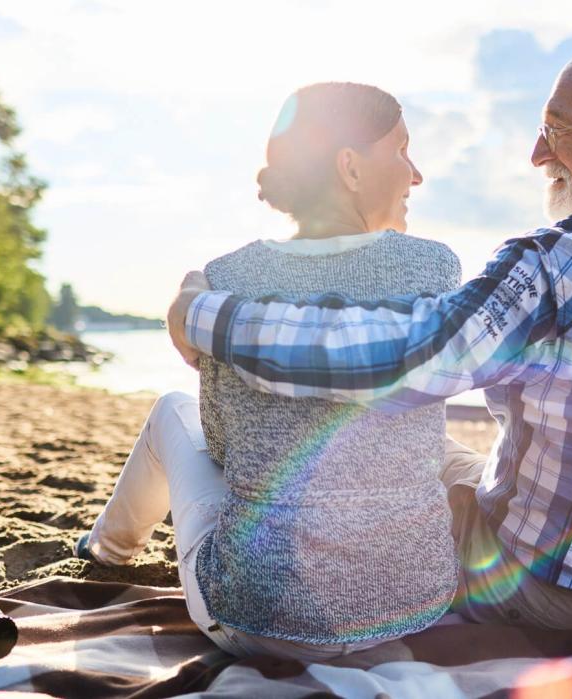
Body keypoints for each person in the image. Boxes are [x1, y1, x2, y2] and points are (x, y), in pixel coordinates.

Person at [170, 44, 572, 632]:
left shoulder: (555, 264)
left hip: (554, 594)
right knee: (441, 458)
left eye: (557, 128)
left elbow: (394, 360)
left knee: (398, 467)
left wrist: (207, 316)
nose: (539, 154)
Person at [78, 82, 462, 660]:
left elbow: (226, 449)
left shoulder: (228, 278)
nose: (416, 173)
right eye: (403, 150)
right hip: (412, 607)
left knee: (172, 413)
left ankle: (106, 551)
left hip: (257, 620)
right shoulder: (434, 266)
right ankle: (105, 548)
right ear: (350, 168)